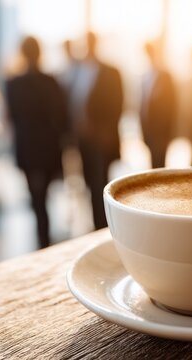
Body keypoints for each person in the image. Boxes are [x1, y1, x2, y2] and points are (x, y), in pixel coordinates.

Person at [6, 36, 67, 248]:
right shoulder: (51, 82)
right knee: (43, 199)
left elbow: (11, 118)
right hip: (48, 149)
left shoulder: (14, 84)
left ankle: (43, 241)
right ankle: (44, 239)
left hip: (29, 150)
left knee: (38, 201)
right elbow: (62, 117)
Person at [68, 32, 123, 229]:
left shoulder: (110, 72)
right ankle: (96, 224)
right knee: (89, 182)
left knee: (102, 184)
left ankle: (104, 226)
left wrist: (103, 131)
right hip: (84, 139)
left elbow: (117, 105)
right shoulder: (77, 71)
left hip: (101, 139)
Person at [139, 41, 177, 168]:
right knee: (151, 166)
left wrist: (169, 134)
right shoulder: (145, 76)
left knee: (160, 166)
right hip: (148, 131)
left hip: (161, 133)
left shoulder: (166, 77)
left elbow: (172, 107)